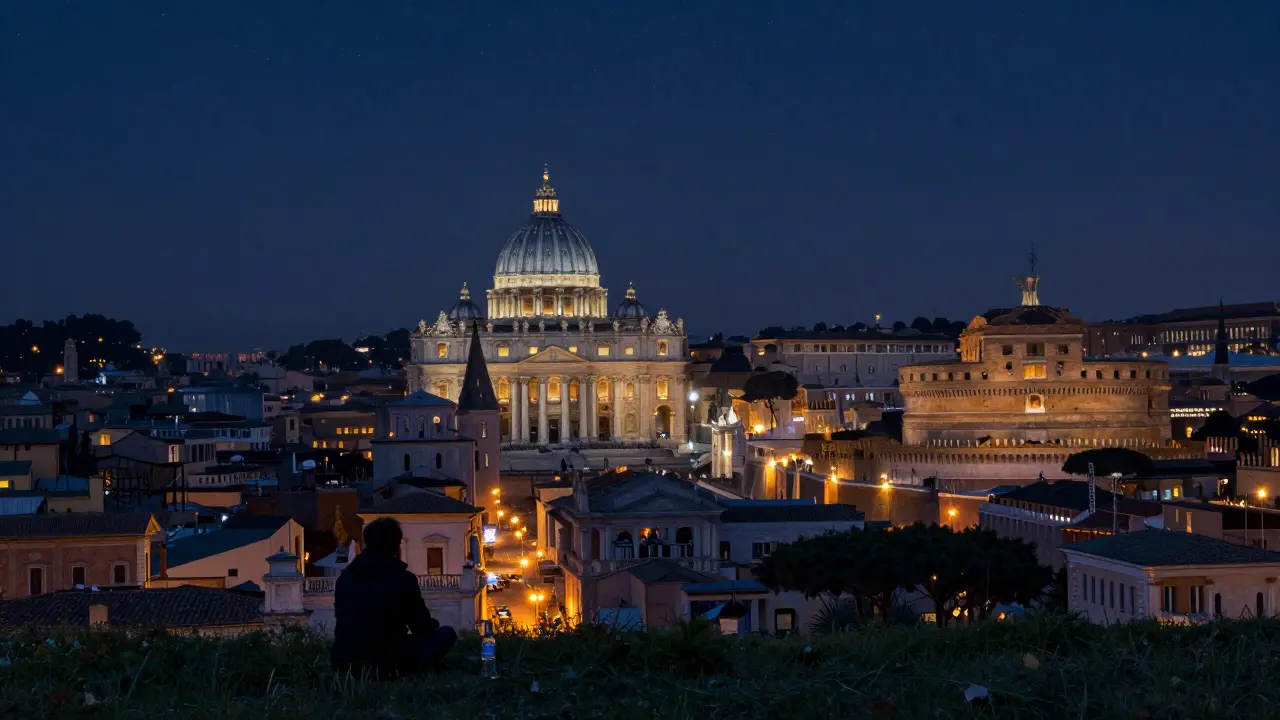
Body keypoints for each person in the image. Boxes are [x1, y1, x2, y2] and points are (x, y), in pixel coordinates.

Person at [331, 517, 457, 677]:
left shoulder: (345, 577)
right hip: (389, 662)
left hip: (345, 661)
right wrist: (433, 626)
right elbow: (421, 628)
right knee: (447, 633)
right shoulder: (403, 579)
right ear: (396, 547)